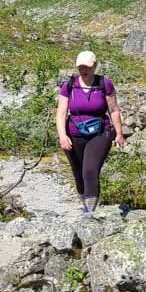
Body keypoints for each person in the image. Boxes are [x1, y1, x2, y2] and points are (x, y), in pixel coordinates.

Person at [56, 50, 125, 213]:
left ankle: (90, 212)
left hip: (100, 132)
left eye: (86, 67)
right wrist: (62, 136)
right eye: (80, 67)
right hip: (73, 133)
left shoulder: (104, 84)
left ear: (94, 66)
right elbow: (60, 113)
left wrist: (119, 133)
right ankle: (85, 203)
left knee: (90, 170)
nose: (83, 70)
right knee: (79, 173)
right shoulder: (70, 85)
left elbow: (114, 110)